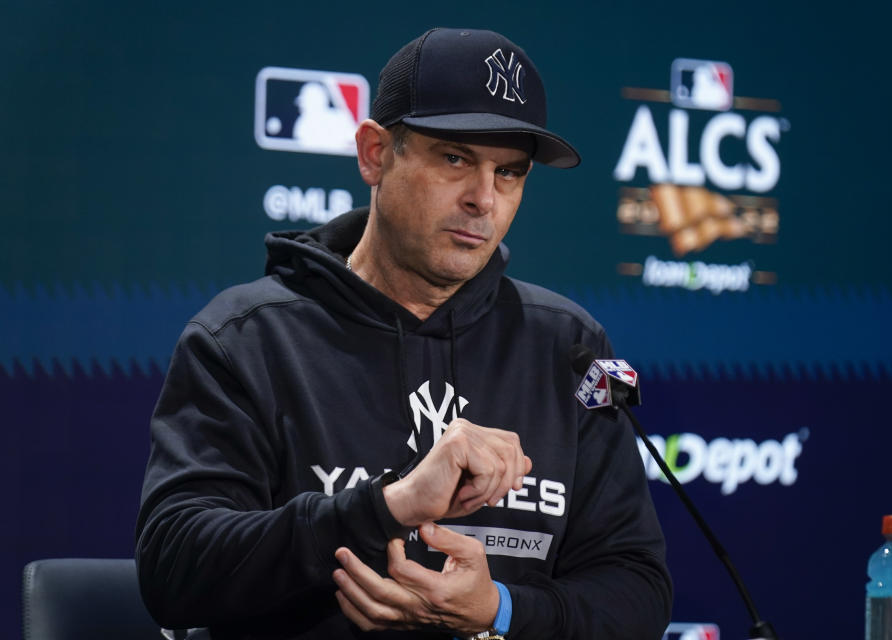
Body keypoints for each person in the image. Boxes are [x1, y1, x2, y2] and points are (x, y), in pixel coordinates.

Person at [136, 27, 672, 640]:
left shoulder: (568, 348)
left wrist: (499, 609)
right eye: (455, 159)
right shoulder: (246, 339)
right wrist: (387, 506)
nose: (483, 200)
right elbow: (172, 568)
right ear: (374, 154)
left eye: (510, 174)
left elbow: (636, 591)